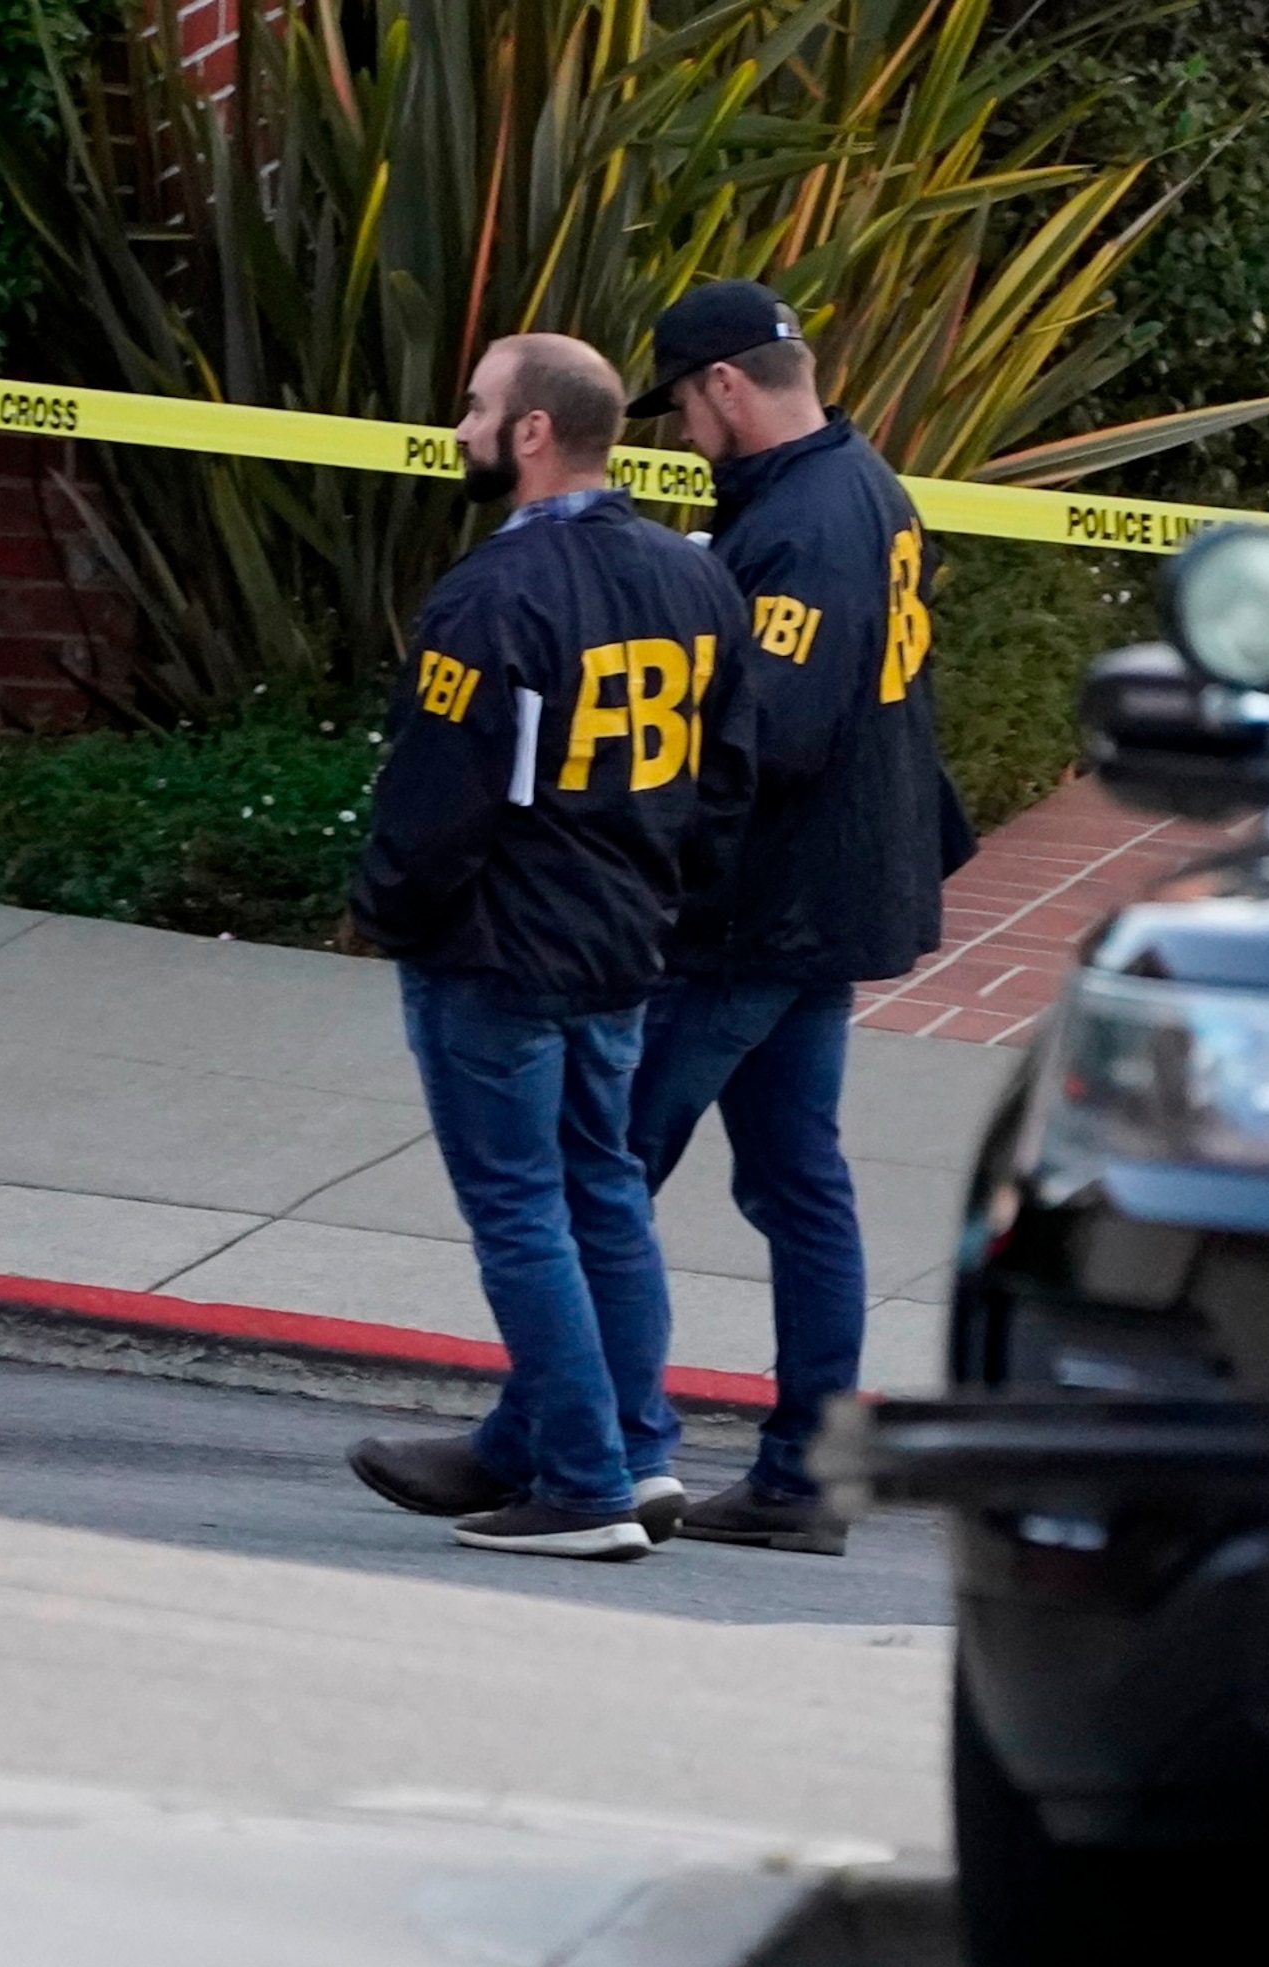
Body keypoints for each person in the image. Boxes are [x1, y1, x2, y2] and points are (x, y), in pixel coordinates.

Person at [343, 334, 757, 1562]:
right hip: (622, 942)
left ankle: (584, 1486)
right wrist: (663, 892)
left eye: (477, 407)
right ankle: (637, 1449)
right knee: (606, 1201)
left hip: (501, 951)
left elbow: (440, 800)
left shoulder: (492, 596)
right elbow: (727, 778)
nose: (462, 426)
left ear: (532, 432)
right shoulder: (696, 582)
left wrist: (392, 910)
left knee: (523, 1213)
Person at [620, 281, 976, 1555]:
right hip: (833, 898)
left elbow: (764, 737)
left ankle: (581, 1449)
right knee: (797, 1182)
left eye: (681, 407)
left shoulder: (807, 527)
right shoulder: (864, 484)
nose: (678, 435)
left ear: (725, 384)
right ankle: (803, 1478)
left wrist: (632, 845)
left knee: (602, 1169)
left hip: (758, 914)